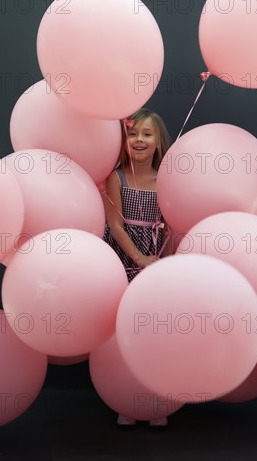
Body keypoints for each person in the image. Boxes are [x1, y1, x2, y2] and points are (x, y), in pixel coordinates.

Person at [102, 108, 171, 428]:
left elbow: (172, 225)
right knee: (124, 330)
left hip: (157, 259)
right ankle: (126, 397)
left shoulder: (168, 181)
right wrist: (138, 259)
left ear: (158, 142)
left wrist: (164, 264)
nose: (139, 140)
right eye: (133, 134)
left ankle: (157, 400)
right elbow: (115, 226)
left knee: (155, 330)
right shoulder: (116, 177)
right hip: (123, 257)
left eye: (147, 134)